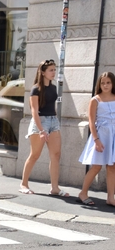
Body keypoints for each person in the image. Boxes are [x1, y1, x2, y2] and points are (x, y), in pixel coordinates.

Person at [19, 59, 69, 196]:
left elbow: (51, 106)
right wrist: (41, 130)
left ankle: (54, 188)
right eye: (51, 70)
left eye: (54, 69)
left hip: (53, 121)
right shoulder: (36, 89)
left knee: (56, 155)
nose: (54, 72)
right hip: (40, 122)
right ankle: (23, 184)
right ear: (43, 72)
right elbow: (34, 111)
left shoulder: (53, 88)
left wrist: (54, 121)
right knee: (35, 155)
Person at [77, 72, 115, 206]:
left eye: (108, 82)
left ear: (113, 84)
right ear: (99, 84)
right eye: (103, 83)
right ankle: (83, 193)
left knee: (112, 166)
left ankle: (111, 197)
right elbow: (92, 123)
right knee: (96, 166)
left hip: (114, 136)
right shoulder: (95, 100)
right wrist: (96, 140)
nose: (105, 85)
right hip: (101, 136)